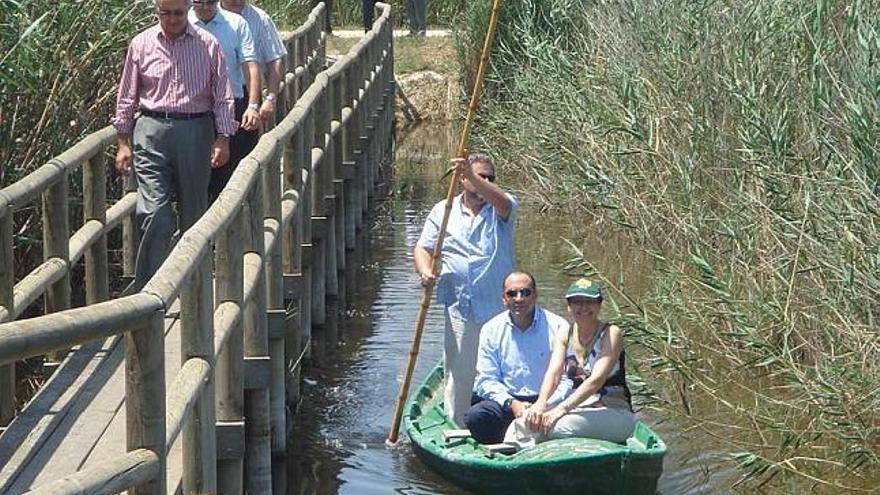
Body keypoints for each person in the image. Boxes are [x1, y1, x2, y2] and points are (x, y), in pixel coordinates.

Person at [114, 0, 236, 290]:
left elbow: (222, 95)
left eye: (178, 13)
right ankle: (151, 289)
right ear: (157, 12)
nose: (171, 19)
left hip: (195, 129)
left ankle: (195, 286)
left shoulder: (208, 44)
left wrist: (223, 137)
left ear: (188, 11)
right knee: (155, 212)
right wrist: (122, 141)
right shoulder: (141, 43)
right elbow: (127, 96)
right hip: (151, 130)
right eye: (165, 13)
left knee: (194, 211)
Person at [415, 153, 518, 427]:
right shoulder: (443, 210)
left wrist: (474, 177)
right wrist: (425, 271)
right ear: (461, 180)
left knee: (503, 370)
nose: (485, 181)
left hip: (499, 308)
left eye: (489, 177)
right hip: (460, 306)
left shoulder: (501, 208)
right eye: (477, 176)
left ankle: (504, 425)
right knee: (459, 374)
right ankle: (458, 425)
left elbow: (504, 201)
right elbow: (423, 248)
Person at [517, 278, 635, 445]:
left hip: (613, 412)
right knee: (523, 423)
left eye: (590, 302)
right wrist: (541, 404)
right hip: (578, 410)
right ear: (569, 306)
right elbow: (554, 373)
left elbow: (596, 380)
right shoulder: (565, 334)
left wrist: (560, 410)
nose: (584, 308)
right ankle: (514, 465)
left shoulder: (611, 333)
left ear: (600, 305)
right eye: (578, 302)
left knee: (557, 427)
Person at [463, 271, 570, 444]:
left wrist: (543, 405)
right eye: (512, 293)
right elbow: (486, 380)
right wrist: (513, 404)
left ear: (535, 295)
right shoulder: (491, 329)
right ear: (504, 298)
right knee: (476, 417)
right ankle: (502, 452)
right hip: (508, 402)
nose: (519, 299)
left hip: (547, 402)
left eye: (525, 293)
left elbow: (566, 379)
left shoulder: (559, 326)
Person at [188, 0, 261, 202]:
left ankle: (237, 230)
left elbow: (251, 67)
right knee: (196, 180)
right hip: (194, 111)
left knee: (232, 177)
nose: (204, 7)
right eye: (198, 2)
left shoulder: (236, 24)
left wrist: (253, 106)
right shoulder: (182, 23)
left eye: (209, 2)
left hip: (231, 106)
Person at [220, 0, 287, 124]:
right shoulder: (205, 16)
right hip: (212, 94)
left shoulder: (260, 19)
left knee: (245, 141)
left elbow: (274, 59)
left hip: (248, 93)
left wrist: (271, 98)